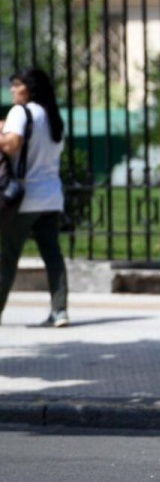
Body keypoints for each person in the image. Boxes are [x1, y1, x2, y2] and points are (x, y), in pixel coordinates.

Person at [0, 68, 68, 328]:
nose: (12, 90)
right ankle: (60, 311)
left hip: (23, 198)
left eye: (16, 85)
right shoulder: (52, 116)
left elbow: (11, 145)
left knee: (7, 256)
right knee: (52, 255)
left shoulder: (21, 112)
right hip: (51, 196)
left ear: (29, 89)